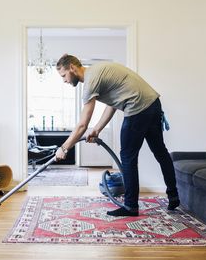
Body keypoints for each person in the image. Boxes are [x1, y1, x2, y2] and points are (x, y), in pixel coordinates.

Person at [54, 54, 180, 217]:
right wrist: (97, 129)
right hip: (153, 104)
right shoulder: (98, 71)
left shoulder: (90, 81)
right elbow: (112, 105)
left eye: (63, 75)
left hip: (137, 108)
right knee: (160, 152)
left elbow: (82, 125)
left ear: (72, 67)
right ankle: (173, 195)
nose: (64, 80)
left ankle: (130, 206)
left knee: (127, 157)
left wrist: (64, 148)